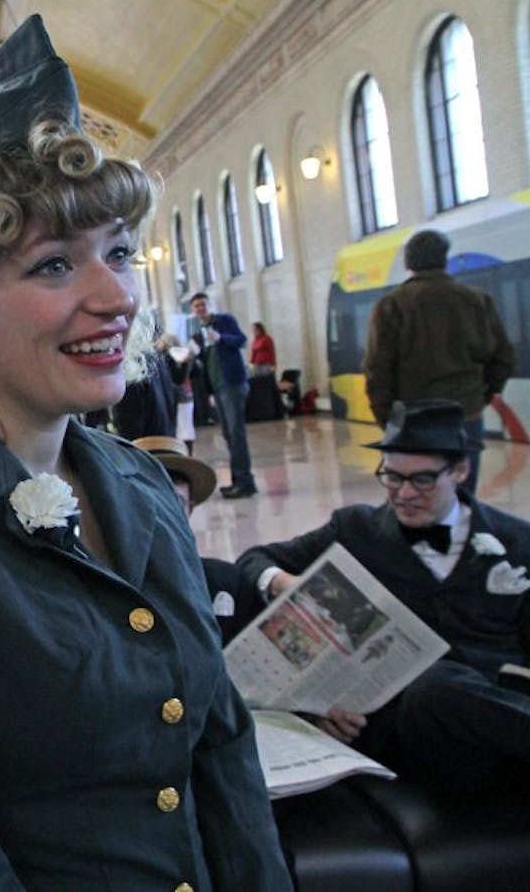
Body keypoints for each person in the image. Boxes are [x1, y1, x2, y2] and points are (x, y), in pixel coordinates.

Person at [0, 15, 289, 890]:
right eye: (54, 267)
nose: (116, 297)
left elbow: (223, 755)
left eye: (118, 252)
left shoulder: (138, 483)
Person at [236, 398, 530, 799]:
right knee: (432, 688)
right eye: (392, 478)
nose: (404, 494)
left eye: (422, 480)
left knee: (448, 688)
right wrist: (283, 582)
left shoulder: (516, 542)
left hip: (494, 732)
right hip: (403, 736)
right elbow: (254, 560)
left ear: (460, 471)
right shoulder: (356, 530)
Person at [363, 228, 514, 495]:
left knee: (416, 499)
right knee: (461, 496)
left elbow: (378, 370)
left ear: (408, 263)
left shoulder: (391, 305)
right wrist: (480, 397)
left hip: (413, 420)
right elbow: (503, 359)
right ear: (445, 259)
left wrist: (388, 420)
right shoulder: (477, 301)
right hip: (465, 415)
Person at [132, 435, 263, 643]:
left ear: (190, 509)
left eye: (174, 503)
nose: (163, 516)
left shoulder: (228, 583)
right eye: (149, 502)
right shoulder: (110, 595)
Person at [190, 291, 256, 498]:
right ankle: (239, 479)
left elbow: (242, 340)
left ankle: (245, 482)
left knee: (236, 433)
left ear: (210, 305)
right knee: (228, 434)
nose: (200, 309)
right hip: (218, 387)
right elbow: (206, 360)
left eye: (203, 305)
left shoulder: (225, 321)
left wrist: (221, 338)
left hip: (232, 383)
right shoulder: (199, 331)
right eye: (197, 306)